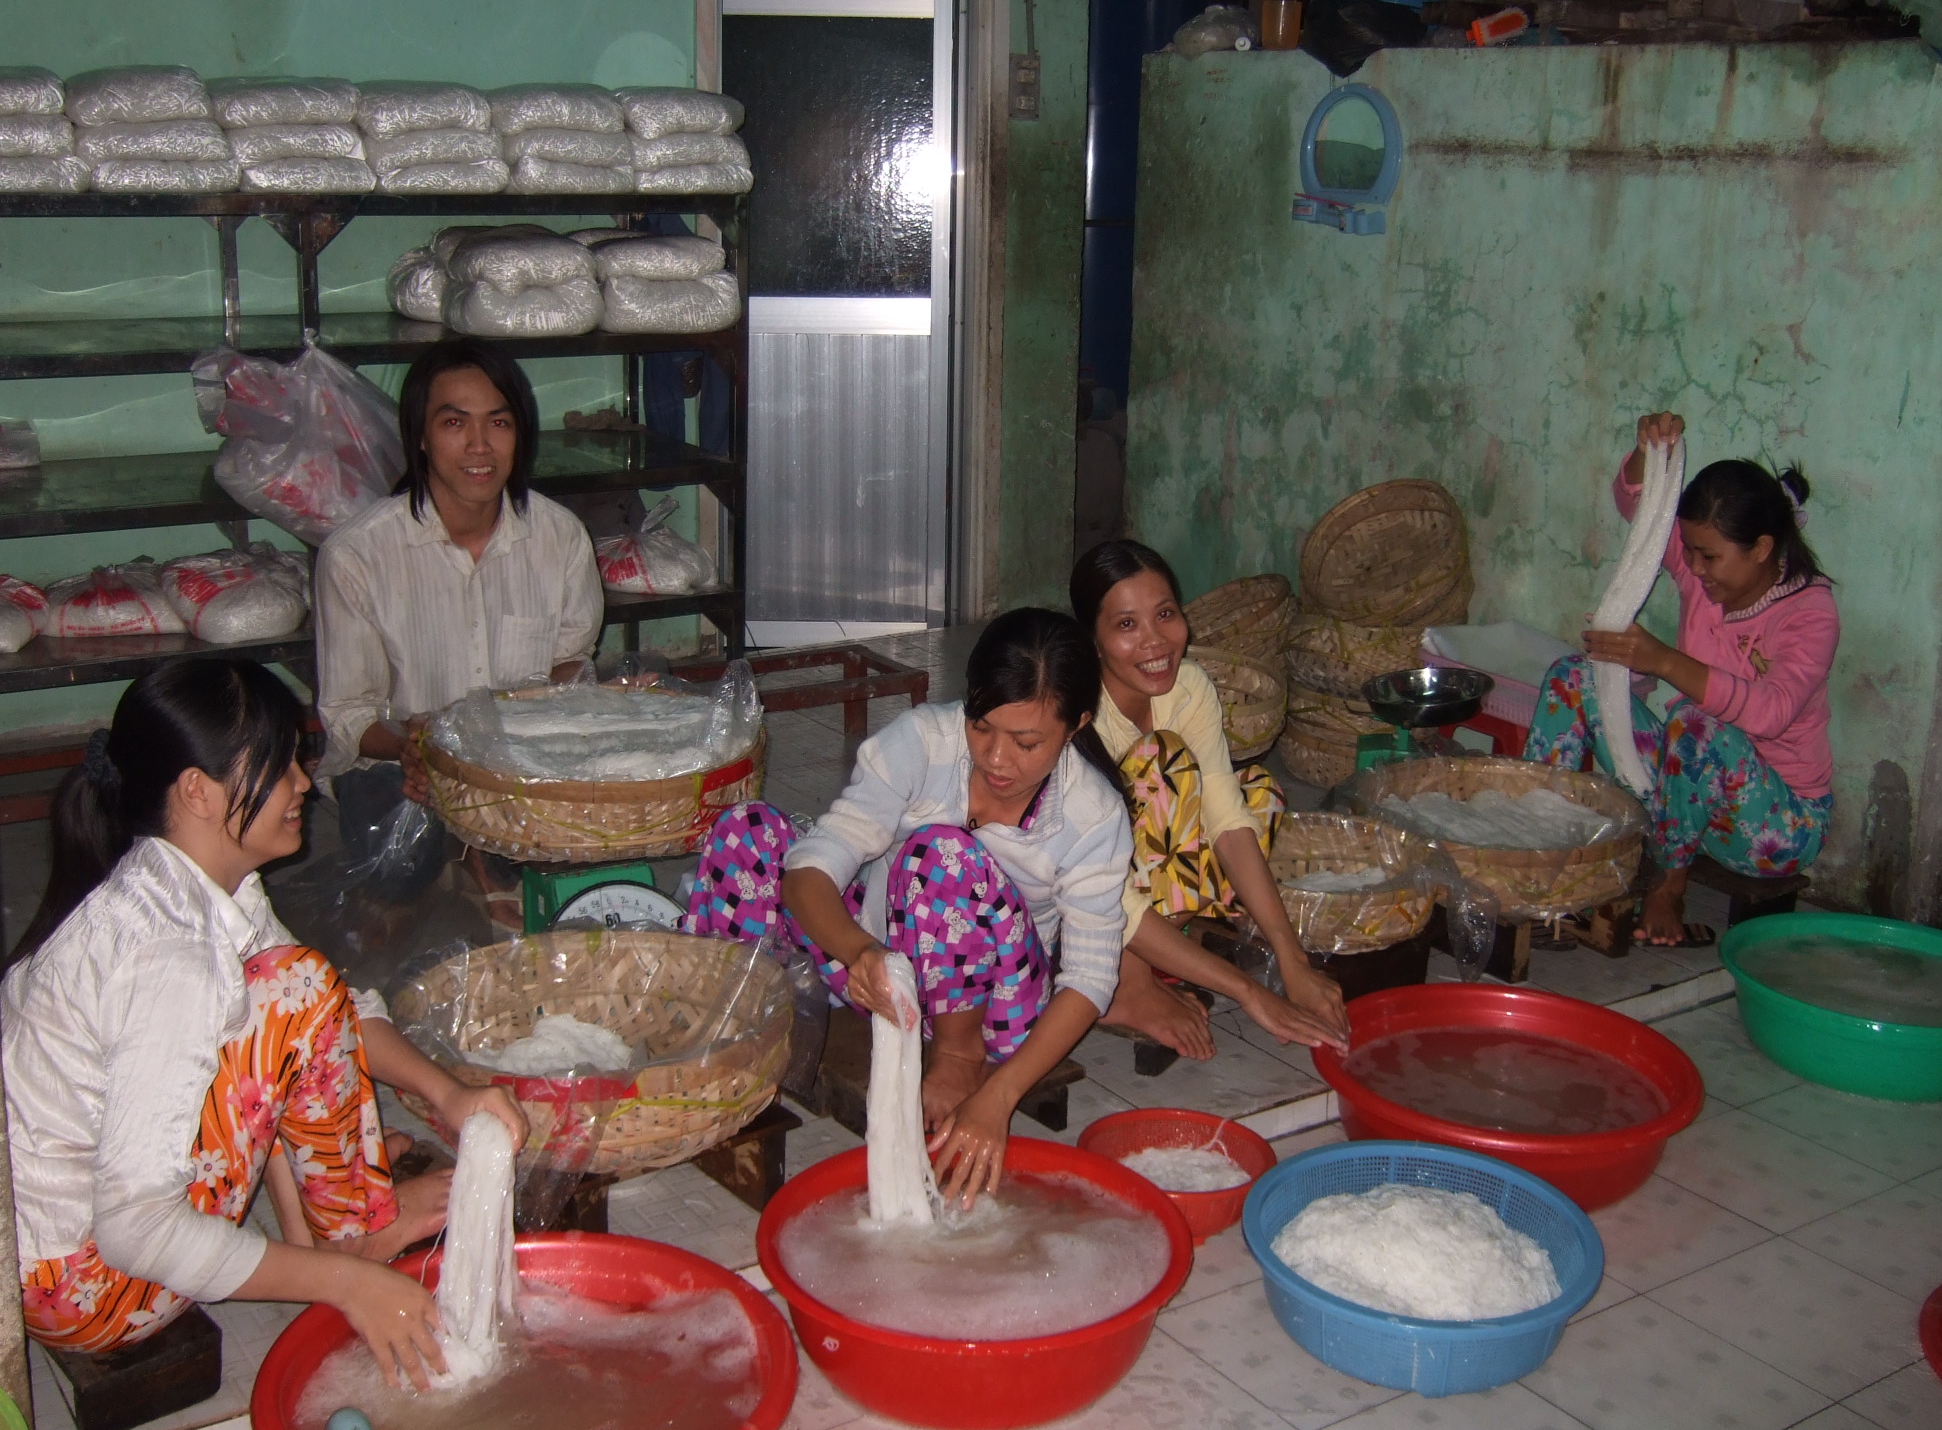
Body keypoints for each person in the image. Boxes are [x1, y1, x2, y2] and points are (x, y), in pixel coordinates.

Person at [3, 660, 527, 1390]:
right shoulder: (169, 955)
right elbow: (135, 1228)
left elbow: (340, 1014)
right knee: (293, 992)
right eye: (280, 765)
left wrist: (451, 1096)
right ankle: (357, 1244)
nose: (304, 784)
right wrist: (344, 1287)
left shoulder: (187, 886)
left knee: (293, 990)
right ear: (197, 791)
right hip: (87, 1288)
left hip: (58, 1250)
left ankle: (338, 1230)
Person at [678, 609, 1132, 1205]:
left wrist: (999, 1098)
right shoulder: (922, 742)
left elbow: (1093, 978)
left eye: (1026, 742)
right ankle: (749, 1021)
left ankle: (954, 1055)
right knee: (747, 831)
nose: (996, 759)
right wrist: (860, 951)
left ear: (1076, 725)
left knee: (941, 854)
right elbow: (817, 864)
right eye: (981, 726)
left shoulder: (1093, 816)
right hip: (884, 971)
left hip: (1000, 1011)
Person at [1526, 412, 1838, 946]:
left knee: (1697, 726)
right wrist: (1649, 452)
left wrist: (1664, 661)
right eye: (1689, 551)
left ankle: (1669, 886)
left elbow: (1770, 712)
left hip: (1775, 826)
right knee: (1573, 676)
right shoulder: (1704, 574)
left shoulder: (1809, 612)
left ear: (1762, 548)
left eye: (1708, 556)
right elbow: (1640, 511)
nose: (1692, 567)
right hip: (1684, 792)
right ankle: (1539, 846)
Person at [313, 338, 604, 901]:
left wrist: (569, 706)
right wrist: (411, 747)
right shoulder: (357, 555)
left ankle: (484, 855)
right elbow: (349, 716)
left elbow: (572, 661)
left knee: (576, 844)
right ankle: (466, 852)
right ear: (420, 438)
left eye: (499, 422)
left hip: (521, 760)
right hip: (404, 762)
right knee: (394, 863)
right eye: (454, 423)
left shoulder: (560, 536)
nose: (480, 446)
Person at [1070, 541, 1349, 1058]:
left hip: (1141, 875)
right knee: (1162, 762)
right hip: (1073, 899)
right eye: (1126, 625)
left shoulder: (1190, 688)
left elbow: (1225, 814)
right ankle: (1125, 982)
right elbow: (1101, 889)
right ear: (1094, 638)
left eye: (1165, 614)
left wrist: (1292, 961)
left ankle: (1166, 938)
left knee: (1256, 793)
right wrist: (1250, 992)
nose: (1155, 642)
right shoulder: (1081, 719)